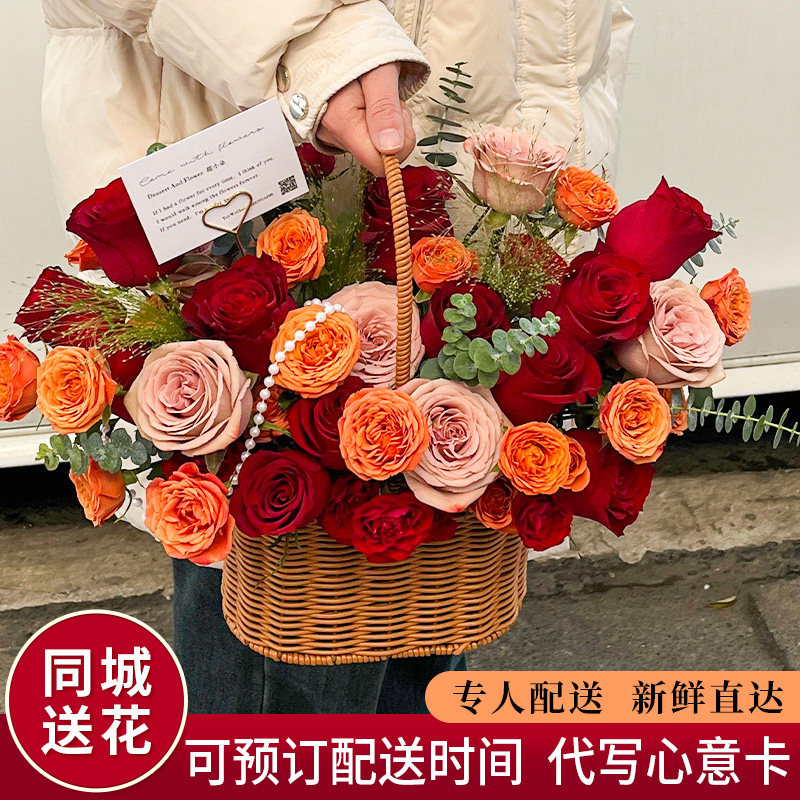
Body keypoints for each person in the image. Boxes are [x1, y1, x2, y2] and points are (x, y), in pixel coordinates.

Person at [40, 0, 633, 713]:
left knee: (425, 633)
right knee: (280, 652)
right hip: (257, 112)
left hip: (476, 122)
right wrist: (322, 50)